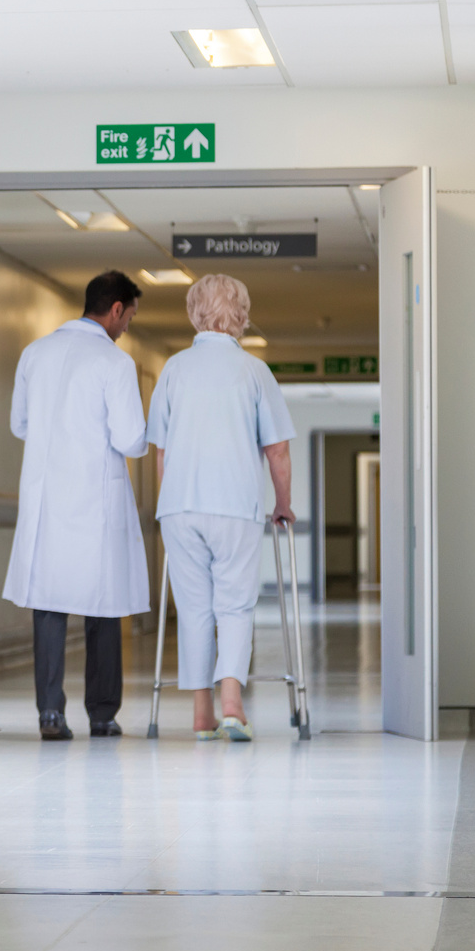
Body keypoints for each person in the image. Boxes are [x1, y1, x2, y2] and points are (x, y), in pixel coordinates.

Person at [145, 274, 296, 742]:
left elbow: (162, 453)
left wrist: (172, 502)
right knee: (234, 605)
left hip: (180, 507)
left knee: (193, 608)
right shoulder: (254, 372)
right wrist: (283, 504)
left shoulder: (173, 368)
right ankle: (233, 704)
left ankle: (200, 714)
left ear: (195, 314)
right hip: (235, 504)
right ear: (243, 315)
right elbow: (277, 452)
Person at [3, 271, 149, 741]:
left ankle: (50, 712)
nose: (127, 326)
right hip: (95, 497)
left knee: (47, 604)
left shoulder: (35, 353)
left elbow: (19, 425)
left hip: (47, 495)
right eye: (128, 316)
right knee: (102, 606)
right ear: (116, 310)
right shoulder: (115, 363)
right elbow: (130, 438)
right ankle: (102, 714)